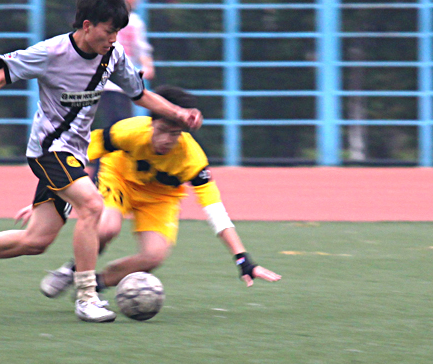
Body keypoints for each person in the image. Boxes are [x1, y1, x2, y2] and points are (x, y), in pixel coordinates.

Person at [0, 0, 202, 323]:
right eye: (109, 31)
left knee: (36, 241)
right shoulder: (51, 52)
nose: (113, 39)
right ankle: (87, 296)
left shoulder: (113, 55)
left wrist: (178, 113)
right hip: (48, 151)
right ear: (87, 25)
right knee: (92, 205)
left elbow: (140, 94)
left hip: (74, 155)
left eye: (117, 32)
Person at [17, 85, 280, 300]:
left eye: (175, 134)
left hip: (160, 199)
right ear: (151, 123)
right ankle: (74, 270)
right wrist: (50, 196)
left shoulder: (193, 159)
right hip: (119, 180)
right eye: (162, 131)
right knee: (107, 228)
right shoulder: (130, 131)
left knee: (154, 256)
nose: (167, 140)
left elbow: (215, 211)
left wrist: (243, 259)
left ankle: (94, 285)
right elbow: (71, 156)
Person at [91, 0, 155, 179]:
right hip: (105, 84)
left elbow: (141, 48)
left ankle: (105, 174)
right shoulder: (104, 20)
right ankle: (100, 175)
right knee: (117, 128)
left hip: (124, 85)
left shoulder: (136, 23)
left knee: (119, 129)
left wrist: (147, 65)